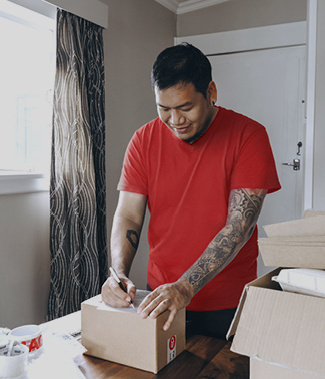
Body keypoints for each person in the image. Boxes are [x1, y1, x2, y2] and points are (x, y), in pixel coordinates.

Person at [102, 43, 281, 339]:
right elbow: (129, 216)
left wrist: (185, 287)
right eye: (164, 109)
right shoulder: (142, 140)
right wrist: (118, 273)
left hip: (227, 302)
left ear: (210, 92)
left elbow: (239, 226)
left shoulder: (249, 136)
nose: (175, 121)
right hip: (159, 294)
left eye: (186, 108)